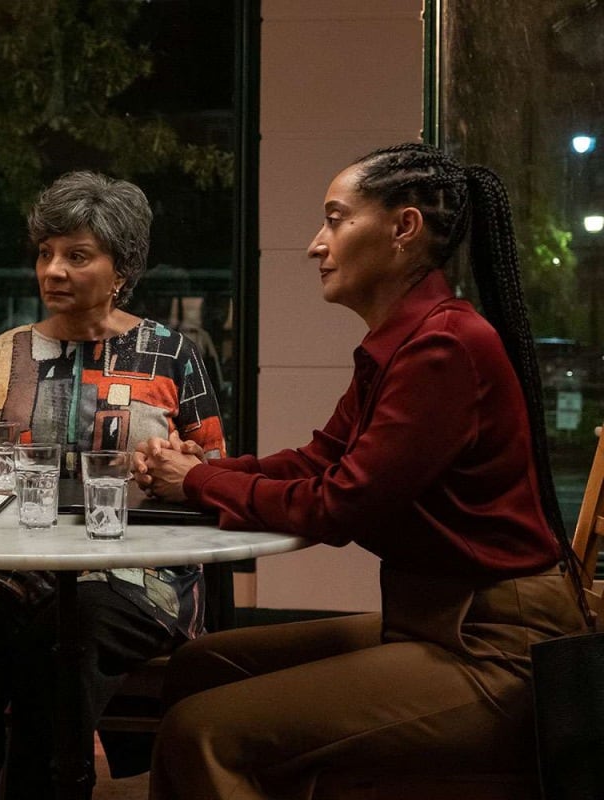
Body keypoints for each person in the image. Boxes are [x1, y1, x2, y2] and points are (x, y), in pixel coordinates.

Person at [134, 142, 591, 800]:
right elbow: (321, 461)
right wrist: (201, 467)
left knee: (202, 731)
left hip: (495, 645)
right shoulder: (407, 341)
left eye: (336, 218)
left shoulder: (444, 346)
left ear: (403, 228)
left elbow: (338, 505)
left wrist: (197, 481)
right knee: (207, 664)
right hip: (437, 619)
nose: (317, 245)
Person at [0, 171, 228, 800]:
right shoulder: (3, 355)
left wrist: (178, 473)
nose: (53, 271)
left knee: (62, 637)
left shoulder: (171, 353)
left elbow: (215, 480)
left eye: (77, 255)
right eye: (45, 253)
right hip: (11, 562)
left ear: (122, 269)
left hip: (137, 570)